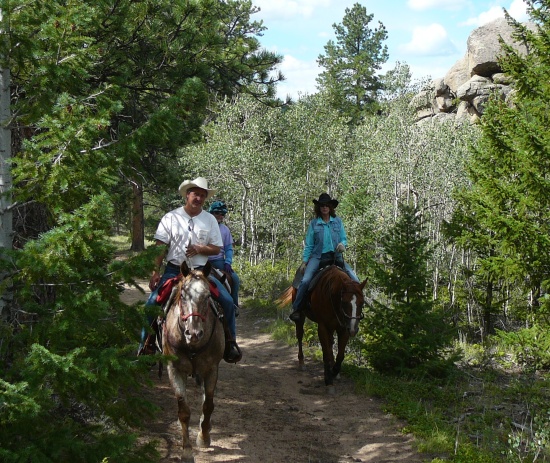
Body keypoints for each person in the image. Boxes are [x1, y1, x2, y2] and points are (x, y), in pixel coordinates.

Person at [142, 176, 241, 362]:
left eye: (203, 195)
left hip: (203, 273)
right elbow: (160, 247)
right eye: (196, 194)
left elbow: (217, 248)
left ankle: (230, 343)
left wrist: (200, 249)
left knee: (227, 301)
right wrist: (155, 272)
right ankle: (145, 345)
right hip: (174, 271)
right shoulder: (171, 217)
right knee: (151, 304)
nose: (199, 198)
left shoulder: (210, 220)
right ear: (187, 195)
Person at [289, 193, 360, 322]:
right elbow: (309, 244)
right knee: (305, 281)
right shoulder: (314, 224)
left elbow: (344, 238)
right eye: (322, 205)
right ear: (319, 208)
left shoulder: (337, 221)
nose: (324, 208)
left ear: (331, 207)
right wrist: (305, 261)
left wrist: (342, 245)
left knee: (355, 280)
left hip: (336, 256)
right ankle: (297, 308)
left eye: (327, 205)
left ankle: (357, 310)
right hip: (318, 257)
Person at [207, 201, 240, 311]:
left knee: (235, 279)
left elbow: (228, 248)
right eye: (217, 213)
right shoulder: (202, 226)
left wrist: (228, 262)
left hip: (218, 261)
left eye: (222, 214)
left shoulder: (225, 229)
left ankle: (234, 305)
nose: (220, 216)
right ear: (211, 213)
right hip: (202, 261)